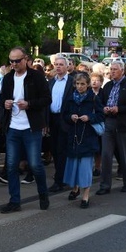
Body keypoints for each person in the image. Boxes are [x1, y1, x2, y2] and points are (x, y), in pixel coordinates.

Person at [0, 47, 51, 213]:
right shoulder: (7, 78)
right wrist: (5, 104)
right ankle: (14, 201)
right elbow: (2, 100)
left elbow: (47, 99)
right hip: (13, 127)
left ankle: (43, 194)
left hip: (31, 127)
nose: (14, 64)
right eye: (11, 61)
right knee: (12, 166)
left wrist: (29, 104)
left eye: (17, 61)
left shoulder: (36, 76)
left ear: (25, 59)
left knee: (35, 164)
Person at [96, 61, 126, 195]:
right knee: (106, 155)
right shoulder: (107, 86)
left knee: (125, 155)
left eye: (115, 69)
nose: (112, 71)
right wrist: (104, 108)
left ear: (122, 71)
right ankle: (105, 185)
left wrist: (119, 109)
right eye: (111, 69)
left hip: (123, 123)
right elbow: (100, 102)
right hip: (108, 122)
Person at [62, 72, 104, 208]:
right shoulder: (70, 98)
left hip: (88, 136)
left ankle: (86, 195)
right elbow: (64, 114)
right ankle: (75, 188)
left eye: (83, 84)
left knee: (85, 168)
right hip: (73, 135)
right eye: (78, 84)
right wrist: (71, 117)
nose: (80, 87)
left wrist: (90, 117)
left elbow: (101, 115)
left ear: (88, 85)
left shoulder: (93, 98)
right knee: (73, 165)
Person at [47, 56, 74, 193]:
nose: (58, 67)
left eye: (61, 64)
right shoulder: (51, 82)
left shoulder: (72, 82)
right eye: (56, 64)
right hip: (53, 119)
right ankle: (61, 177)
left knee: (62, 150)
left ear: (67, 66)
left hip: (66, 120)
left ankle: (60, 180)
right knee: (55, 150)